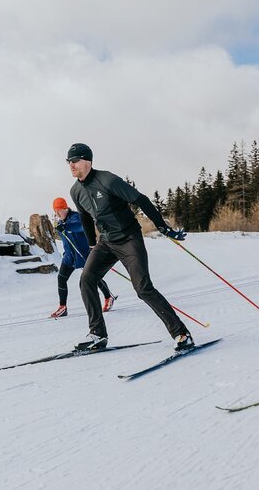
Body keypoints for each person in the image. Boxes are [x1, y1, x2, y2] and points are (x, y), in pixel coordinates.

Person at [65, 143, 192, 351]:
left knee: (143, 289)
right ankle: (98, 334)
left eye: (75, 160)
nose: (71, 165)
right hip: (106, 242)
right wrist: (90, 245)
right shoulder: (75, 191)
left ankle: (181, 334)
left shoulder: (108, 180)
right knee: (87, 279)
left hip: (128, 238)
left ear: (87, 161)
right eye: (68, 161)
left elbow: (141, 199)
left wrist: (163, 227)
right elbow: (85, 218)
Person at [49, 196, 116, 319]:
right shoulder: (60, 223)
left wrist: (65, 227)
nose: (58, 214)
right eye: (55, 211)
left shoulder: (76, 217)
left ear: (65, 208)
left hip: (84, 255)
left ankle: (108, 296)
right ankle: (62, 307)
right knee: (61, 279)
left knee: (93, 278)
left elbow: (79, 226)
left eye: (59, 210)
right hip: (69, 256)